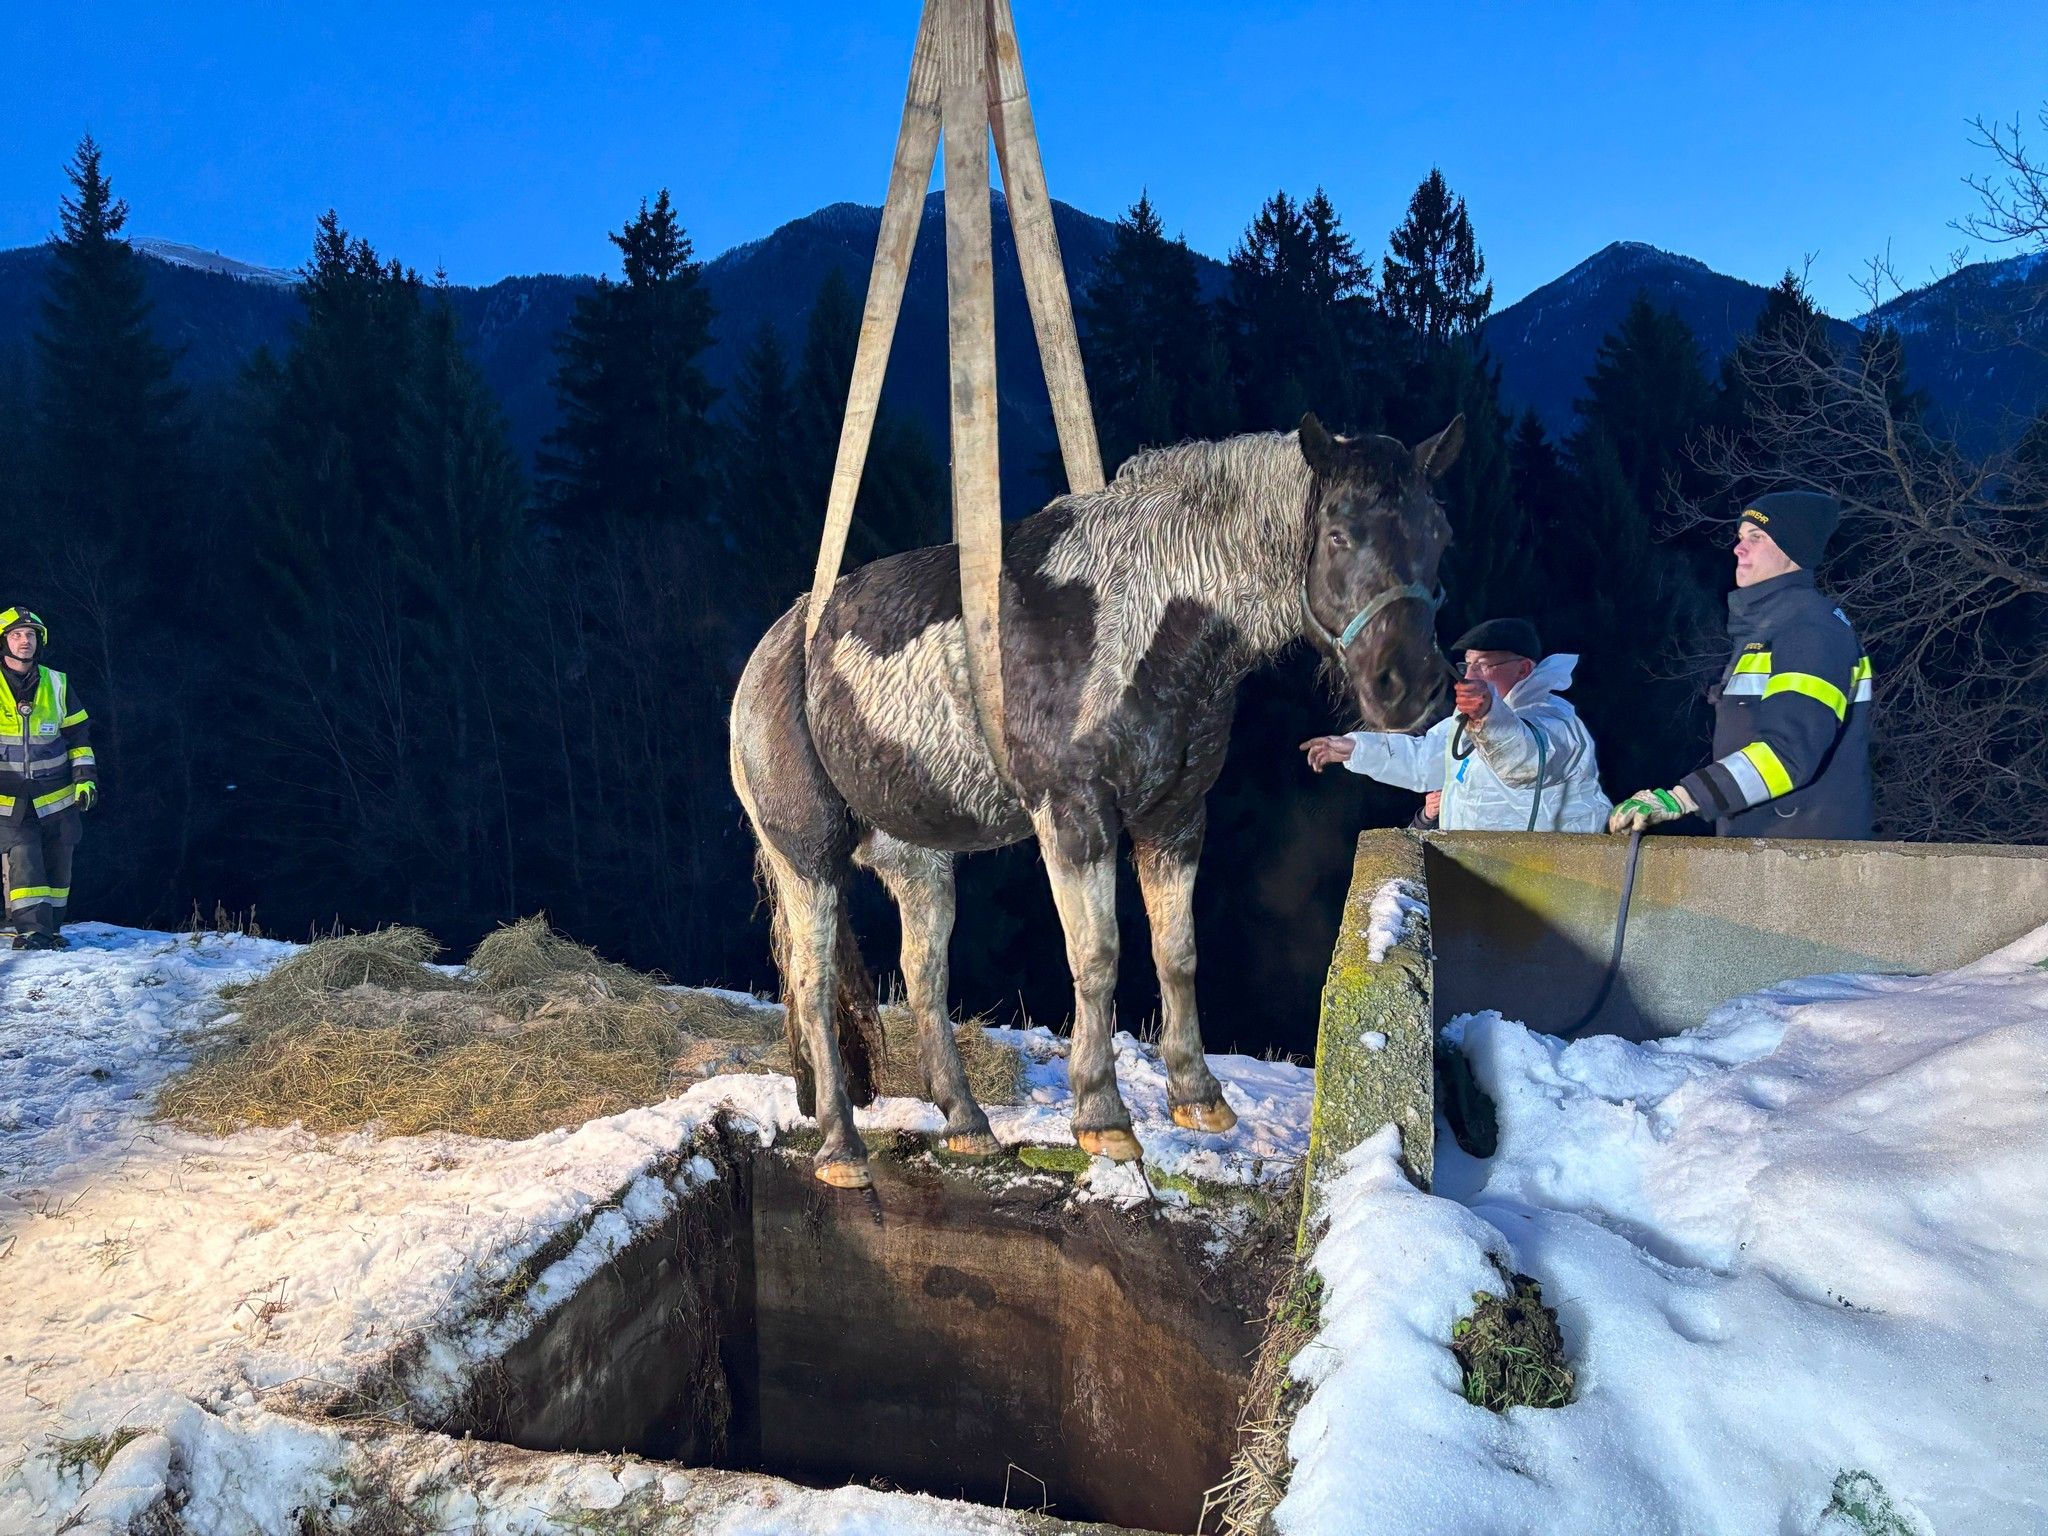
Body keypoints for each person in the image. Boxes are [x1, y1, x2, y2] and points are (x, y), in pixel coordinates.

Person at [1609, 491, 1871, 839]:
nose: (1738, 548)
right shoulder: (1774, 628)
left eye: (1756, 537)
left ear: (1793, 549)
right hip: (1768, 852)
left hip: (1801, 858)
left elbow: (1789, 753)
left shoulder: (1810, 629)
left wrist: (1682, 799)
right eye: (1740, 537)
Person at [1301, 618, 1611, 832]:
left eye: (1484, 665)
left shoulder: (1555, 720)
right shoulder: (1467, 723)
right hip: (1480, 878)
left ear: (1523, 669)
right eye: (1467, 664)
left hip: (1554, 883)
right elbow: (1423, 760)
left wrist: (1488, 715)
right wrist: (1355, 748)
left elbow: (1527, 762)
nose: (1471, 675)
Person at [0, 607, 96, 949]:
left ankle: (51, 928)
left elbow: (78, 737)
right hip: (7, 797)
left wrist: (85, 779)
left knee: (60, 857)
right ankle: (31, 932)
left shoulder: (58, 682)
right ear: (4, 641)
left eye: (30, 635)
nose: (24, 641)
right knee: (23, 855)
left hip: (57, 793)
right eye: (16, 634)